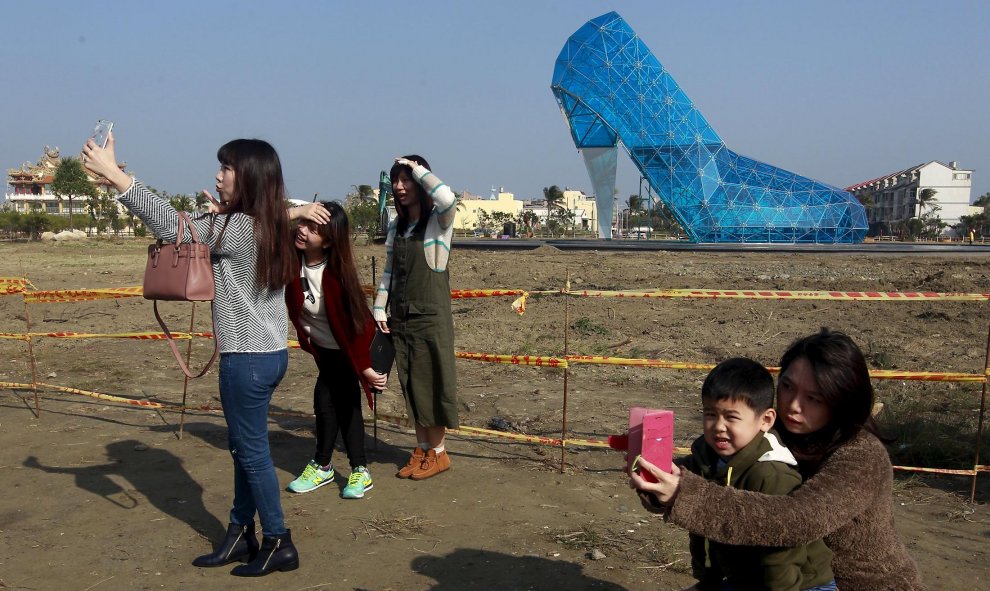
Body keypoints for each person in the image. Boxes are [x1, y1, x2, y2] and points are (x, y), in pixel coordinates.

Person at [83, 133, 299, 577]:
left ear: (250, 178)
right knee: (245, 450)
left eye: (226, 169)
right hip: (271, 352)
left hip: (246, 359)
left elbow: (174, 227)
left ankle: (278, 540)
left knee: (252, 453)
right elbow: (193, 225)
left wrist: (116, 175)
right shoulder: (267, 224)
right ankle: (241, 532)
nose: (218, 176)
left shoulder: (237, 228)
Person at [631, 329, 926, 590]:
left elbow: (798, 518)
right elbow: (709, 470)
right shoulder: (771, 428)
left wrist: (685, 495)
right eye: (787, 386)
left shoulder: (861, 455)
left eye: (814, 398)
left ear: (842, 399)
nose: (793, 406)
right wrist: (660, 482)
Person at [681, 357, 834, 591]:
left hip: (799, 584)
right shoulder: (707, 457)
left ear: (765, 420)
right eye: (710, 414)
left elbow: (782, 553)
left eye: (731, 417)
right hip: (746, 576)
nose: (719, 426)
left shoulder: (772, 474)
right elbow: (680, 477)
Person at [284, 201, 387, 498]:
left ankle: (334, 467)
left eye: (312, 228)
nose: (302, 231)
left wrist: (364, 367)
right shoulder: (292, 260)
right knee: (336, 401)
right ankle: (348, 468)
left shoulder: (336, 275)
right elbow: (263, 226)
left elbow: (353, 327)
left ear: (329, 240)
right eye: (302, 224)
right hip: (324, 349)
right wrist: (297, 212)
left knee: (333, 401)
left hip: (348, 349)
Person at [372, 155, 458, 480]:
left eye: (406, 179)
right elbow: (389, 271)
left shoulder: (440, 221)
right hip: (402, 316)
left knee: (431, 382)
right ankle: (422, 449)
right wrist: (380, 307)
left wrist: (419, 169)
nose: (399, 186)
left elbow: (447, 197)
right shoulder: (397, 226)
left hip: (430, 316)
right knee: (410, 382)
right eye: (396, 180)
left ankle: (439, 453)